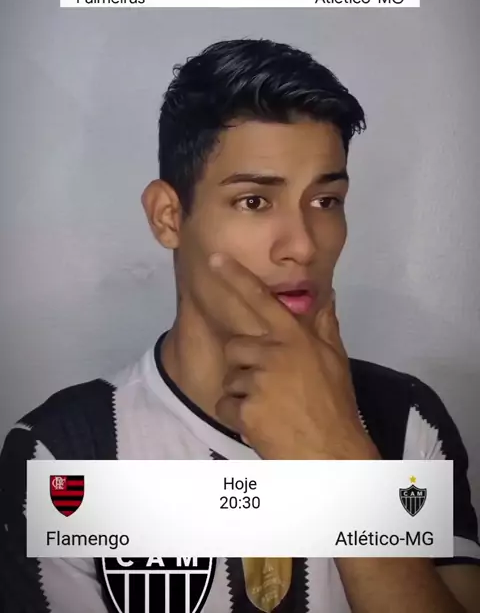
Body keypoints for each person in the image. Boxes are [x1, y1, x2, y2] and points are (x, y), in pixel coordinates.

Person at [0, 38, 479, 613]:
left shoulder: (407, 418)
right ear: (168, 216)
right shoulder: (63, 453)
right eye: (254, 201)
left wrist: (340, 454)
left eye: (326, 201)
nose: (303, 246)